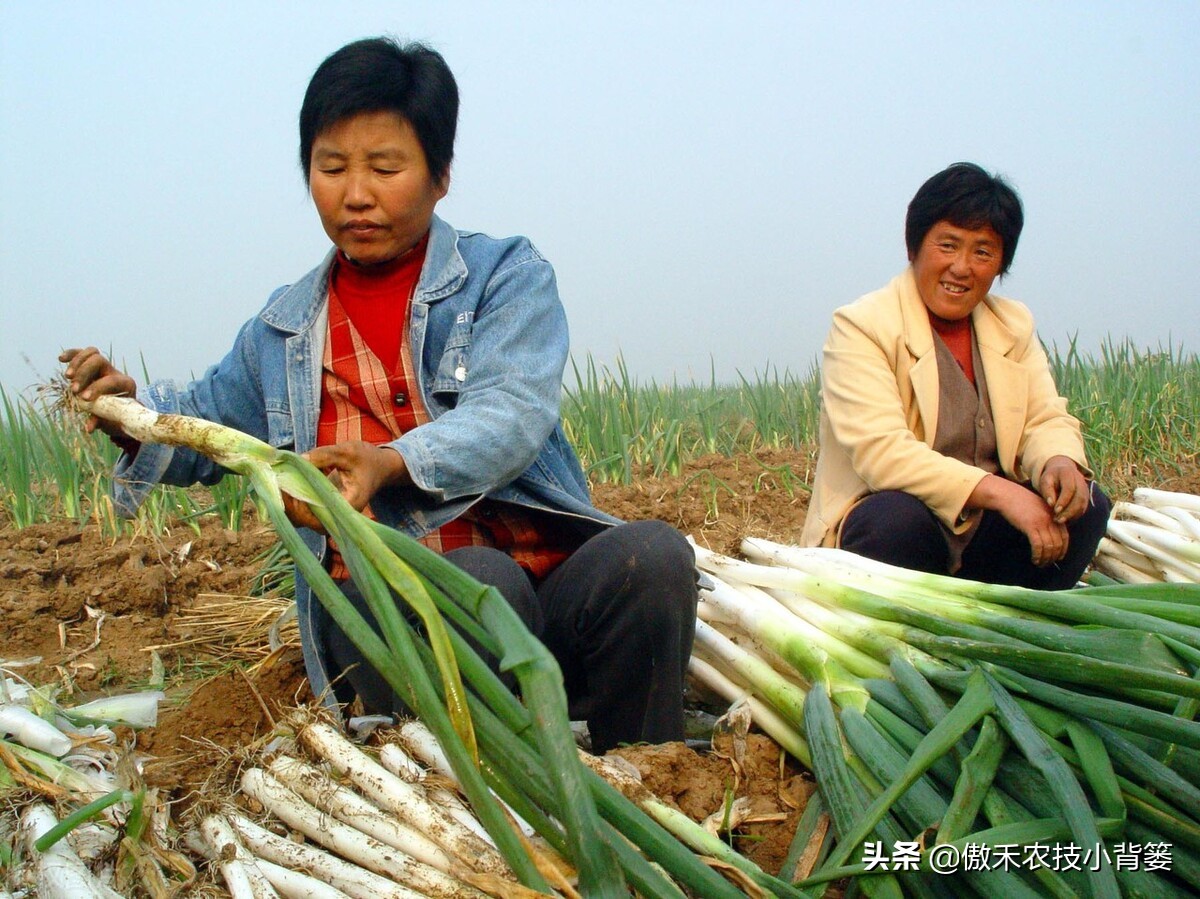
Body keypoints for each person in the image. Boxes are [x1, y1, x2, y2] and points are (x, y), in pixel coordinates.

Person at [60, 37, 696, 754]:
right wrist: (130, 413)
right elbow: (205, 425)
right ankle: (472, 798)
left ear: (440, 174)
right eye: (332, 167)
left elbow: (513, 413)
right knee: (476, 584)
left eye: (384, 167)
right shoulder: (282, 329)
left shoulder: (504, 277)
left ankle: (647, 779)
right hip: (384, 612)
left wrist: (388, 464)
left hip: (535, 595)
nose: (355, 193)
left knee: (651, 556)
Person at [801, 162, 1111, 589]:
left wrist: (1057, 460)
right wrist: (1004, 493)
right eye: (948, 245)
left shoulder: (1011, 324)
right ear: (914, 248)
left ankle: (1011, 620)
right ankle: (912, 625)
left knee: (1086, 506)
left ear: (1000, 265)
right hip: (905, 524)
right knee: (894, 522)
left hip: (983, 530)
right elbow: (883, 453)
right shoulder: (863, 325)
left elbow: (1043, 417)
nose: (962, 267)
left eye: (983, 252)